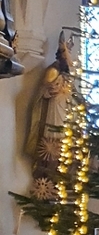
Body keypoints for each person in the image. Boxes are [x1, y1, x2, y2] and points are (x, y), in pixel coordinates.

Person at [25, 31, 76, 180]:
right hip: (53, 110)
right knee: (52, 143)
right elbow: (44, 91)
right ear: (60, 55)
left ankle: (60, 175)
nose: (68, 59)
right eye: (66, 55)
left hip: (65, 111)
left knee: (64, 143)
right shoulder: (53, 70)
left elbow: (74, 93)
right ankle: (47, 173)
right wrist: (53, 90)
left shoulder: (67, 73)